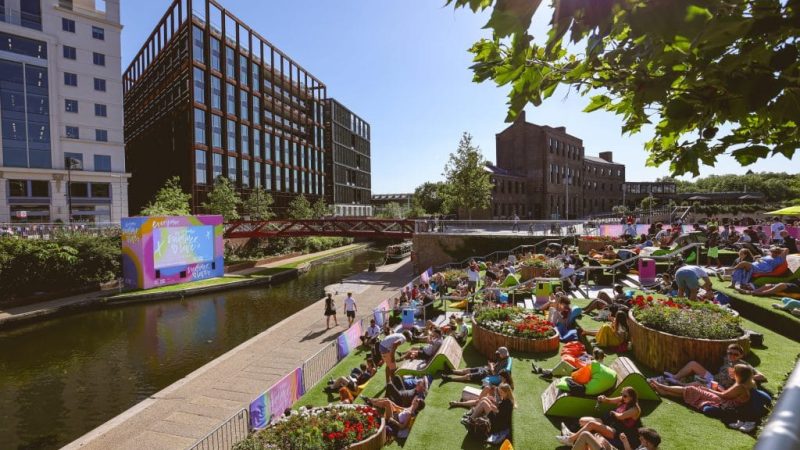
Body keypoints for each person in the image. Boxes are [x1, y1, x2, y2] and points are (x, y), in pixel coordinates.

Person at [649, 364, 755, 415]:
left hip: (724, 404)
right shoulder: (745, 384)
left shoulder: (740, 386)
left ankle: (662, 386)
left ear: (739, 374)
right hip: (726, 401)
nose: (731, 372)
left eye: (734, 371)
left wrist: (708, 389)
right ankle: (665, 392)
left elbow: (723, 396)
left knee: (693, 388)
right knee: (695, 388)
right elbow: (726, 394)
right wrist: (717, 389)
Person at [557, 387, 641, 447]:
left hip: (617, 431)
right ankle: (573, 435)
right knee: (582, 420)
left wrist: (613, 412)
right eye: (622, 394)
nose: (622, 397)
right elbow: (608, 400)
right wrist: (603, 398)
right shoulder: (623, 399)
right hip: (609, 422)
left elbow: (621, 417)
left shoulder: (635, 409)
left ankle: (570, 439)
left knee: (591, 424)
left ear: (632, 397)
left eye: (625, 396)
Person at [656, 343, 766, 388]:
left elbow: (762, 377)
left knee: (697, 383)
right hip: (713, 379)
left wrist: (744, 377)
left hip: (721, 386)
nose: (732, 356)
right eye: (729, 353)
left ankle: (677, 384)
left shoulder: (744, 365)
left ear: (741, 355)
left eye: (735, 354)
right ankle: (675, 377)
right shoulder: (726, 359)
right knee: (693, 364)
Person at [449, 369, 514, 409]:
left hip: (498, 402)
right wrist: (493, 388)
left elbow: (502, 398)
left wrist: (494, 398)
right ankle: (477, 400)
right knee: (487, 387)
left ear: (505, 377)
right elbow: (499, 391)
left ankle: (458, 403)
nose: (499, 378)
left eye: (501, 377)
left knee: (478, 401)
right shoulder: (503, 382)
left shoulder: (507, 386)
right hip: (496, 396)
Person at [442, 347, 511, 383]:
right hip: (486, 369)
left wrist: (491, 367)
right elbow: (496, 366)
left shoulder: (504, 364)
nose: (498, 354)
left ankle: (449, 378)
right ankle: (451, 371)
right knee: (468, 370)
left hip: (487, 374)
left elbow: (495, 373)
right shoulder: (503, 358)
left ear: (502, 354)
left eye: (499, 353)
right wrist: (492, 365)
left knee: (468, 376)